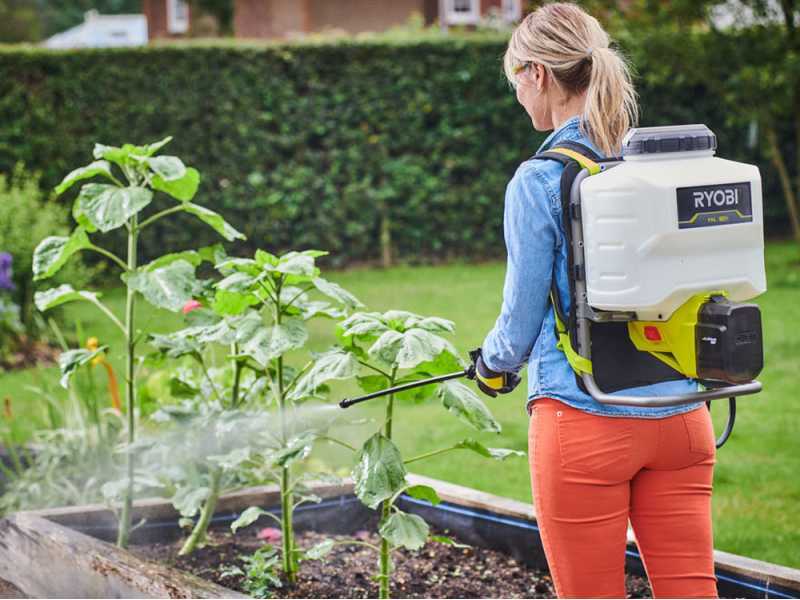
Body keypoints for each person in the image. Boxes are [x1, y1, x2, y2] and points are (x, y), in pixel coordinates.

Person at [470, 3, 718, 598]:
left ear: (538, 75)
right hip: (685, 416)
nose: (519, 98)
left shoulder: (539, 179)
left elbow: (521, 321)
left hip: (586, 420)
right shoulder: (661, 162)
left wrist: (493, 366)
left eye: (516, 83)